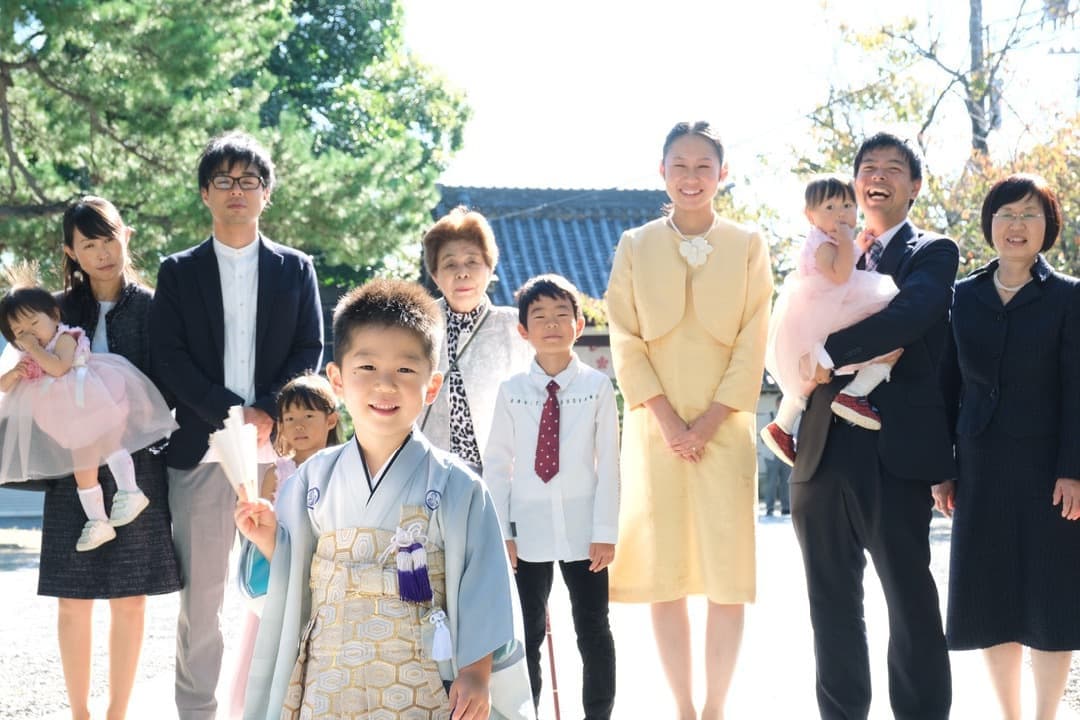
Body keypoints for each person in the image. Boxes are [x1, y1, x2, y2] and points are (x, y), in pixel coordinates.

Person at [234, 278, 533, 720]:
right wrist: (268, 542)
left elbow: (484, 584)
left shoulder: (458, 485)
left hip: (420, 676)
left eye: (406, 371)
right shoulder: (312, 479)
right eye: (367, 367)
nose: (385, 385)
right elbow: (295, 578)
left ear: (432, 385)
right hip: (330, 672)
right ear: (337, 380)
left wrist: (475, 671)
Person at [149, 131, 324, 719]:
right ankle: (197, 712)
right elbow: (168, 354)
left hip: (280, 451)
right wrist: (231, 411)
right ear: (205, 193)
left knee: (288, 584)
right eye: (223, 180)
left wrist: (267, 409)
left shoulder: (296, 268)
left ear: (266, 193)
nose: (236, 191)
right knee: (202, 601)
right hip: (203, 450)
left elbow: (309, 346)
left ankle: (284, 707)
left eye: (249, 181)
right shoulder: (178, 271)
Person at [604, 121, 772, 720]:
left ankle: (716, 708)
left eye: (705, 166)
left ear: (722, 174)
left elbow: (754, 339)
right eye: (680, 165)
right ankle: (682, 707)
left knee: (728, 571)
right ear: (662, 172)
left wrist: (708, 423)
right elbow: (624, 338)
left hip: (726, 430)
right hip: (655, 432)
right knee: (665, 571)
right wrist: (670, 423)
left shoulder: (749, 243)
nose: (692, 177)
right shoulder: (635, 244)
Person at [793, 132, 956, 720]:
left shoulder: (932, 252)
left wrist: (828, 352)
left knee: (909, 602)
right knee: (831, 606)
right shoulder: (826, 247)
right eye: (867, 167)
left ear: (914, 186)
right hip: (820, 451)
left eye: (892, 168)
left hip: (895, 452)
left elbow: (913, 313)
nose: (877, 176)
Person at [9, 197, 181, 720]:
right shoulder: (53, 309)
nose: (102, 253)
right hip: (72, 464)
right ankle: (80, 713)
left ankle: (117, 713)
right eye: (88, 244)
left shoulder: (155, 307)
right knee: (72, 598)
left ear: (126, 237)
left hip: (137, 463)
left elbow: (171, 381)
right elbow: (22, 374)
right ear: (71, 252)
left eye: (109, 239)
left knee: (130, 599)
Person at [934, 174, 1080, 720]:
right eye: (1007, 214)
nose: (1017, 225)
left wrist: (1074, 469)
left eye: (1030, 214)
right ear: (990, 223)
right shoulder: (963, 296)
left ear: (1049, 226)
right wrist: (944, 468)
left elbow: (1078, 389)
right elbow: (946, 387)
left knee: (1051, 599)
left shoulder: (1069, 296)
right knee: (990, 600)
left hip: (1050, 472)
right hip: (980, 466)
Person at [484, 274, 620, 719]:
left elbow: (609, 464)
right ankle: (528, 711)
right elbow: (497, 466)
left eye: (562, 314)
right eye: (539, 316)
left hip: (585, 530)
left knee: (593, 628)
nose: (552, 324)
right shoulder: (511, 392)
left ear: (579, 325)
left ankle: (598, 713)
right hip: (526, 531)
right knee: (527, 633)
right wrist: (502, 533)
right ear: (523, 330)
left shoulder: (597, 387)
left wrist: (605, 531)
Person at [0, 263, 175, 552]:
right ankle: (97, 521)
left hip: (92, 399)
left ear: (54, 315)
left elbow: (59, 367)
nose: (29, 334)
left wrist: (33, 349)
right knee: (83, 468)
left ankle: (130, 490)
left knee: (110, 442)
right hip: (68, 420)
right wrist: (14, 373)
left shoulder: (66, 338)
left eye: (33, 323)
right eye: (19, 331)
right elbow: (5, 387)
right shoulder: (30, 355)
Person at [760, 174, 900, 466]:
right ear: (810, 215)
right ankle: (854, 394)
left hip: (825, 310)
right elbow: (839, 275)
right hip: (826, 311)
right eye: (830, 207)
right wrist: (848, 243)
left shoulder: (827, 240)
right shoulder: (822, 244)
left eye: (848, 205)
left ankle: (783, 425)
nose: (841, 214)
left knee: (812, 375)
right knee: (889, 342)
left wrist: (855, 245)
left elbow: (840, 268)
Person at [227, 372, 340, 719]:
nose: (298, 425)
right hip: (281, 579)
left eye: (309, 415)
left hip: (327, 579)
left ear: (332, 419)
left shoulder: (343, 467)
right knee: (276, 668)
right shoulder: (277, 472)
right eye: (289, 418)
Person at [420, 206, 532, 471]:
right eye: (450, 264)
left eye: (472, 262)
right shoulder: (416, 325)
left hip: (501, 471)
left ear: (489, 269)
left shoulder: (517, 328)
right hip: (429, 469)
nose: (462, 272)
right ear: (435, 276)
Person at [760, 396, 791, 516]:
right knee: (771, 483)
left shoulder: (790, 416)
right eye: (780, 403)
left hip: (785, 454)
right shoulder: (769, 416)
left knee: (786, 482)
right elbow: (763, 435)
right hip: (771, 456)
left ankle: (786, 507)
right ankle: (770, 507)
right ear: (777, 403)